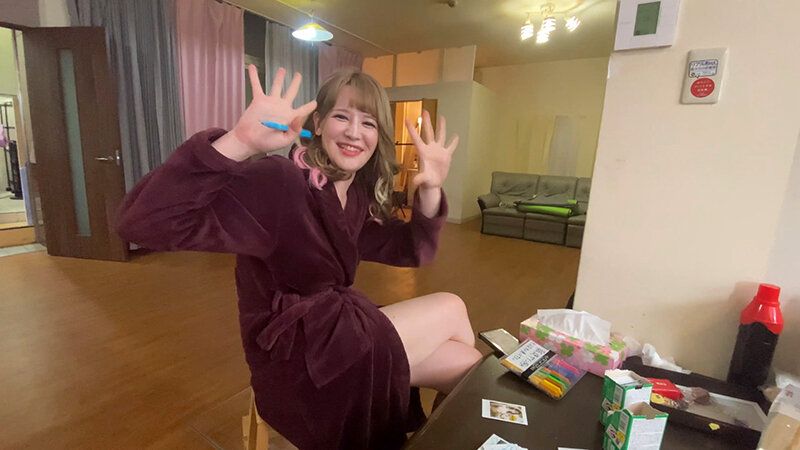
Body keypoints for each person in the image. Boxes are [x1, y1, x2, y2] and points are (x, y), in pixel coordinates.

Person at [116, 65, 483, 449]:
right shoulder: (280, 182)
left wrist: (431, 188)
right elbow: (143, 223)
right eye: (342, 117)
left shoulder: (354, 193)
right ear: (319, 123)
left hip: (335, 337)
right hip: (295, 358)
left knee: (467, 365)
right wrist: (239, 142)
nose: (354, 132)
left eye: (368, 123)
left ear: (379, 137)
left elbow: (412, 249)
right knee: (452, 307)